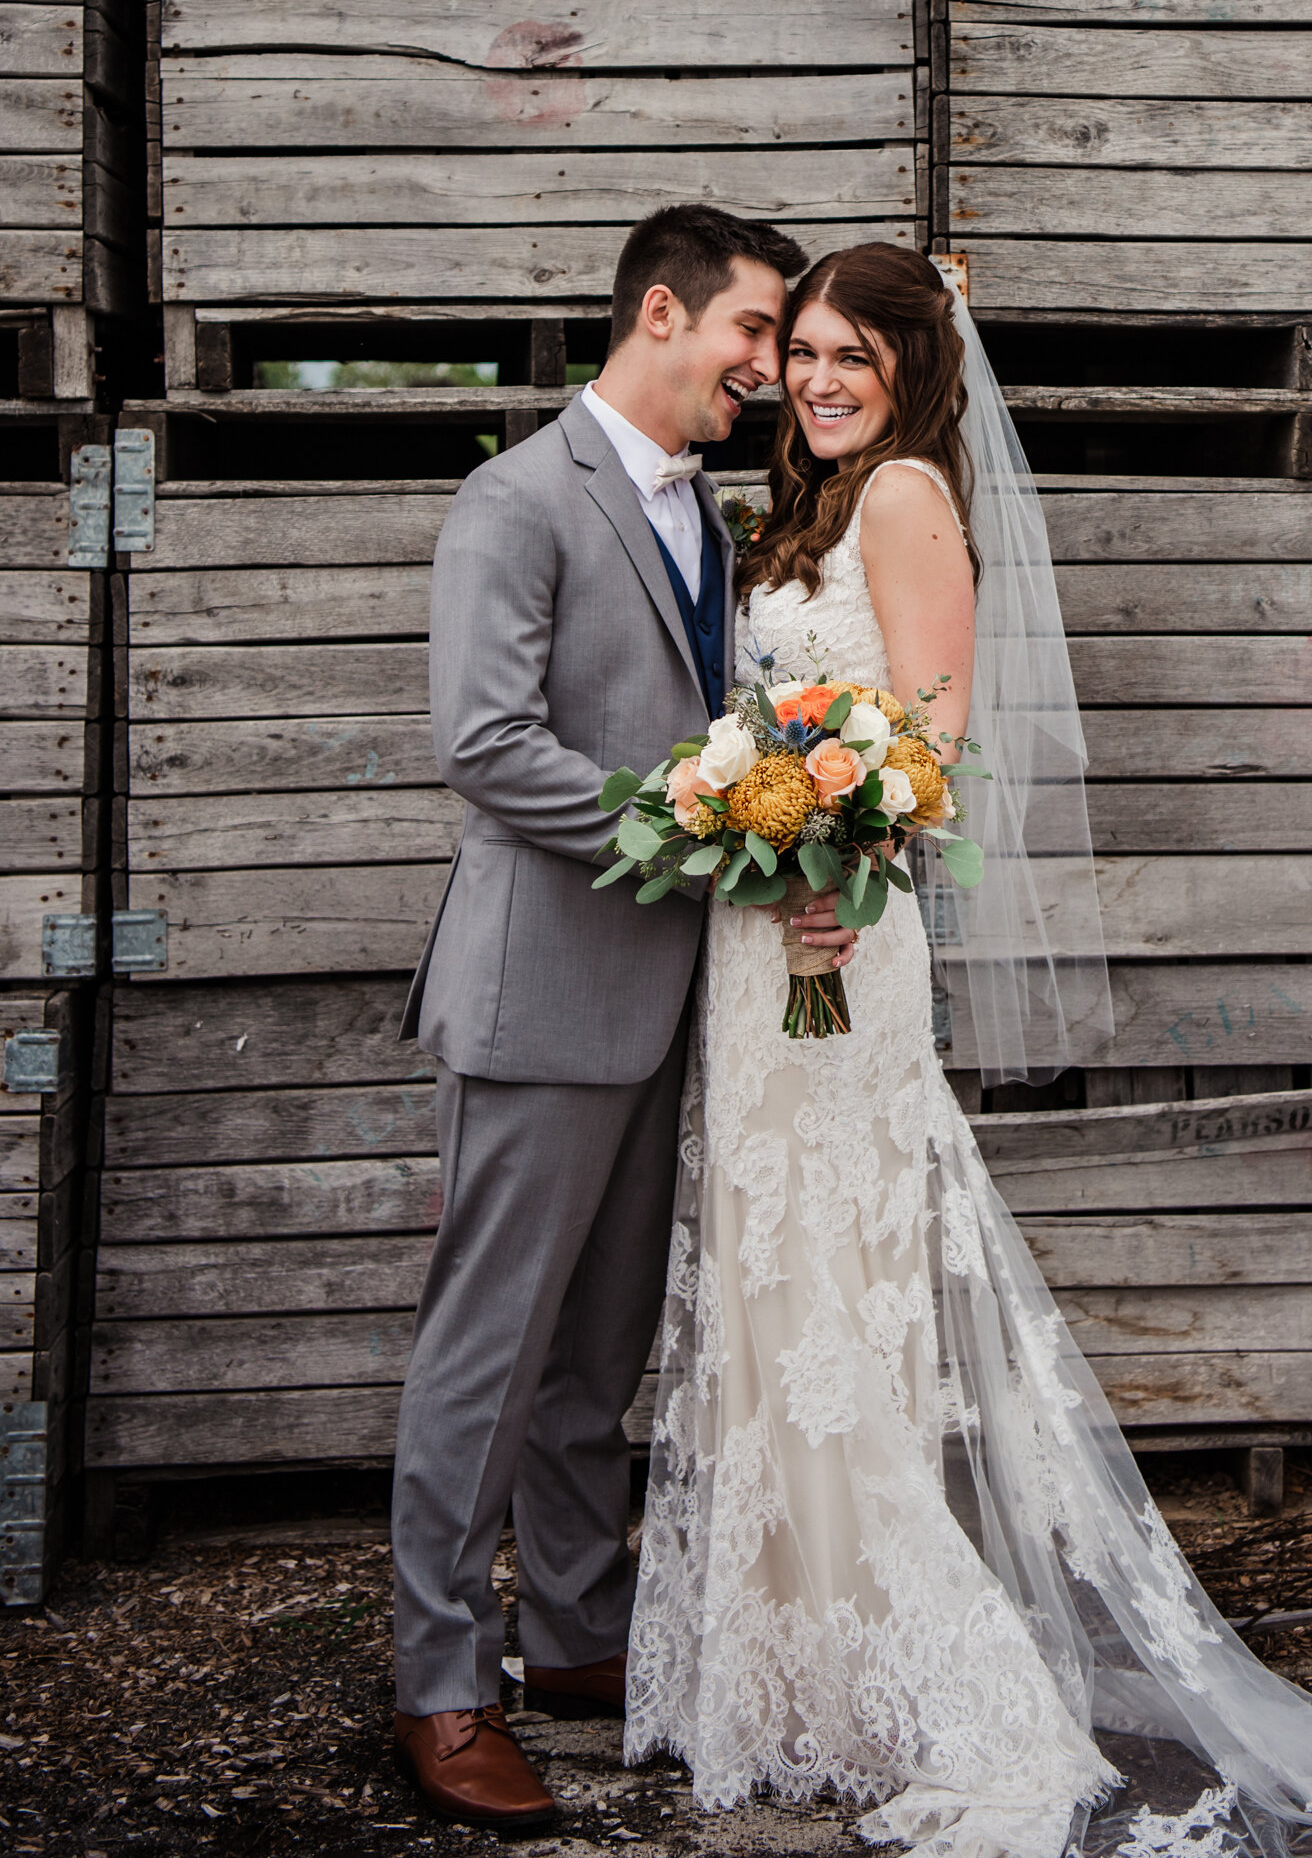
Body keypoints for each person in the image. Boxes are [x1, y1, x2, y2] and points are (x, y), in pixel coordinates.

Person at [623, 244, 1312, 1858]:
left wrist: (833, 879)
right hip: (758, 948)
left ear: (915, 372)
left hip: (834, 944)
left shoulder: (907, 500)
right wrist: (746, 818)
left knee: (839, 1308)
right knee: (762, 1285)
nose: (815, 379)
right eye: (800, 349)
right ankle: (793, 1669)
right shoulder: (795, 509)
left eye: (852, 356)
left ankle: (921, 1676)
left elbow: (927, 752)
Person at [389, 204, 859, 1830]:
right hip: (540, 997)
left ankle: (581, 1635)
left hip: (672, 1000)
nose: (768, 368)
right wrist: (707, 829)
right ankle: (443, 1686)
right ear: (663, 315)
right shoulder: (515, 499)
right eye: (752, 333)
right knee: (490, 1353)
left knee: (596, 1360)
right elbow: (487, 743)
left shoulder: (710, 517)